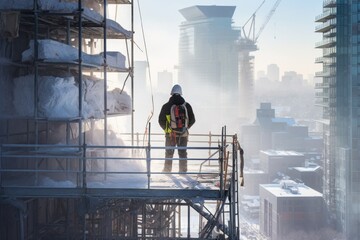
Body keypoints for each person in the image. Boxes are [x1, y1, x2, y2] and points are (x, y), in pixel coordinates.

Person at [158, 84, 195, 172]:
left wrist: (168, 131)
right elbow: (193, 119)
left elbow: (161, 121)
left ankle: (167, 170)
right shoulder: (187, 106)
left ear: (171, 94)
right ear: (181, 93)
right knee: (182, 153)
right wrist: (185, 128)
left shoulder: (166, 106)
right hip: (183, 134)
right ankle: (183, 171)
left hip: (171, 135)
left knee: (169, 153)